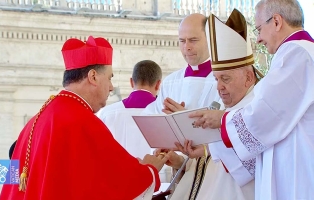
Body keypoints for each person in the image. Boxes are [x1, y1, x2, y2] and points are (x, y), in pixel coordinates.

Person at [0, 36, 168, 200]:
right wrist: (150, 170)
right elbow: (113, 185)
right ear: (93, 76)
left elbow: (16, 180)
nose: (111, 87)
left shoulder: (40, 117)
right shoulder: (80, 121)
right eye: (109, 78)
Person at [191, 1, 314, 199]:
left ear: (276, 21)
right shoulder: (300, 52)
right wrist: (209, 146)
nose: (258, 39)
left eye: (259, 29)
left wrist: (221, 120)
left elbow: (267, 114)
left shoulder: (297, 53)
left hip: (297, 175)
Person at [157, 9, 258, 200]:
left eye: (225, 79)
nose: (219, 87)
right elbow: (212, 167)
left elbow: (248, 165)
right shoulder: (232, 106)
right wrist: (197, 153)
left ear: (248, 77)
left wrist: (196, 130)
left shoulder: (255, 109)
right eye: (217, 79)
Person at [96, 60, 162, 159]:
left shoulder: (106, 113)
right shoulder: (166, 114)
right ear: (158, 84)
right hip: (158, 174)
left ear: (131, 82)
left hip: (118, 174)